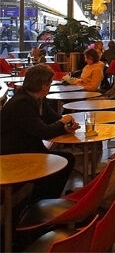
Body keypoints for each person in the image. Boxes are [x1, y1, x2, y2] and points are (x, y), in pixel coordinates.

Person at [0, 64, 79, 201]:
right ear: (44, 86)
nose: (49, 86)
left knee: (67, 159)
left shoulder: (37, 99)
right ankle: (39, 202)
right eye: (49, 83)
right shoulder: (21, 104)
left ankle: (44, 199)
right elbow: (45, 132)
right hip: (13, 156)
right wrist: (63, 123)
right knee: (66, 161)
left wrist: (66, 126)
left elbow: (53, 119)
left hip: (28, 149)